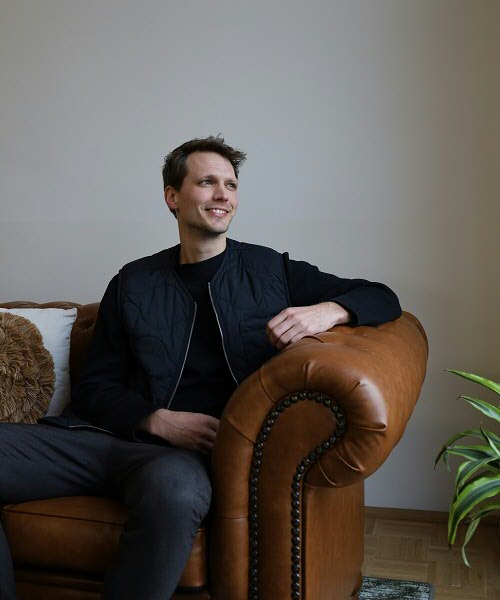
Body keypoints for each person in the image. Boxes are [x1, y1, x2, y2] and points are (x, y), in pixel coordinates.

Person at [0, 136, 402, 600]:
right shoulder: (133, 281)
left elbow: (382, 296)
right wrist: (157, 420)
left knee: (172, 490)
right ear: (172, 196)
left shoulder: (271, 270)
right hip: (102, 440)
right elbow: (96, 387)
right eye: (207, 182)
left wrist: (327, 310)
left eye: (231, 185)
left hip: (184, 461)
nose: (222, 194)